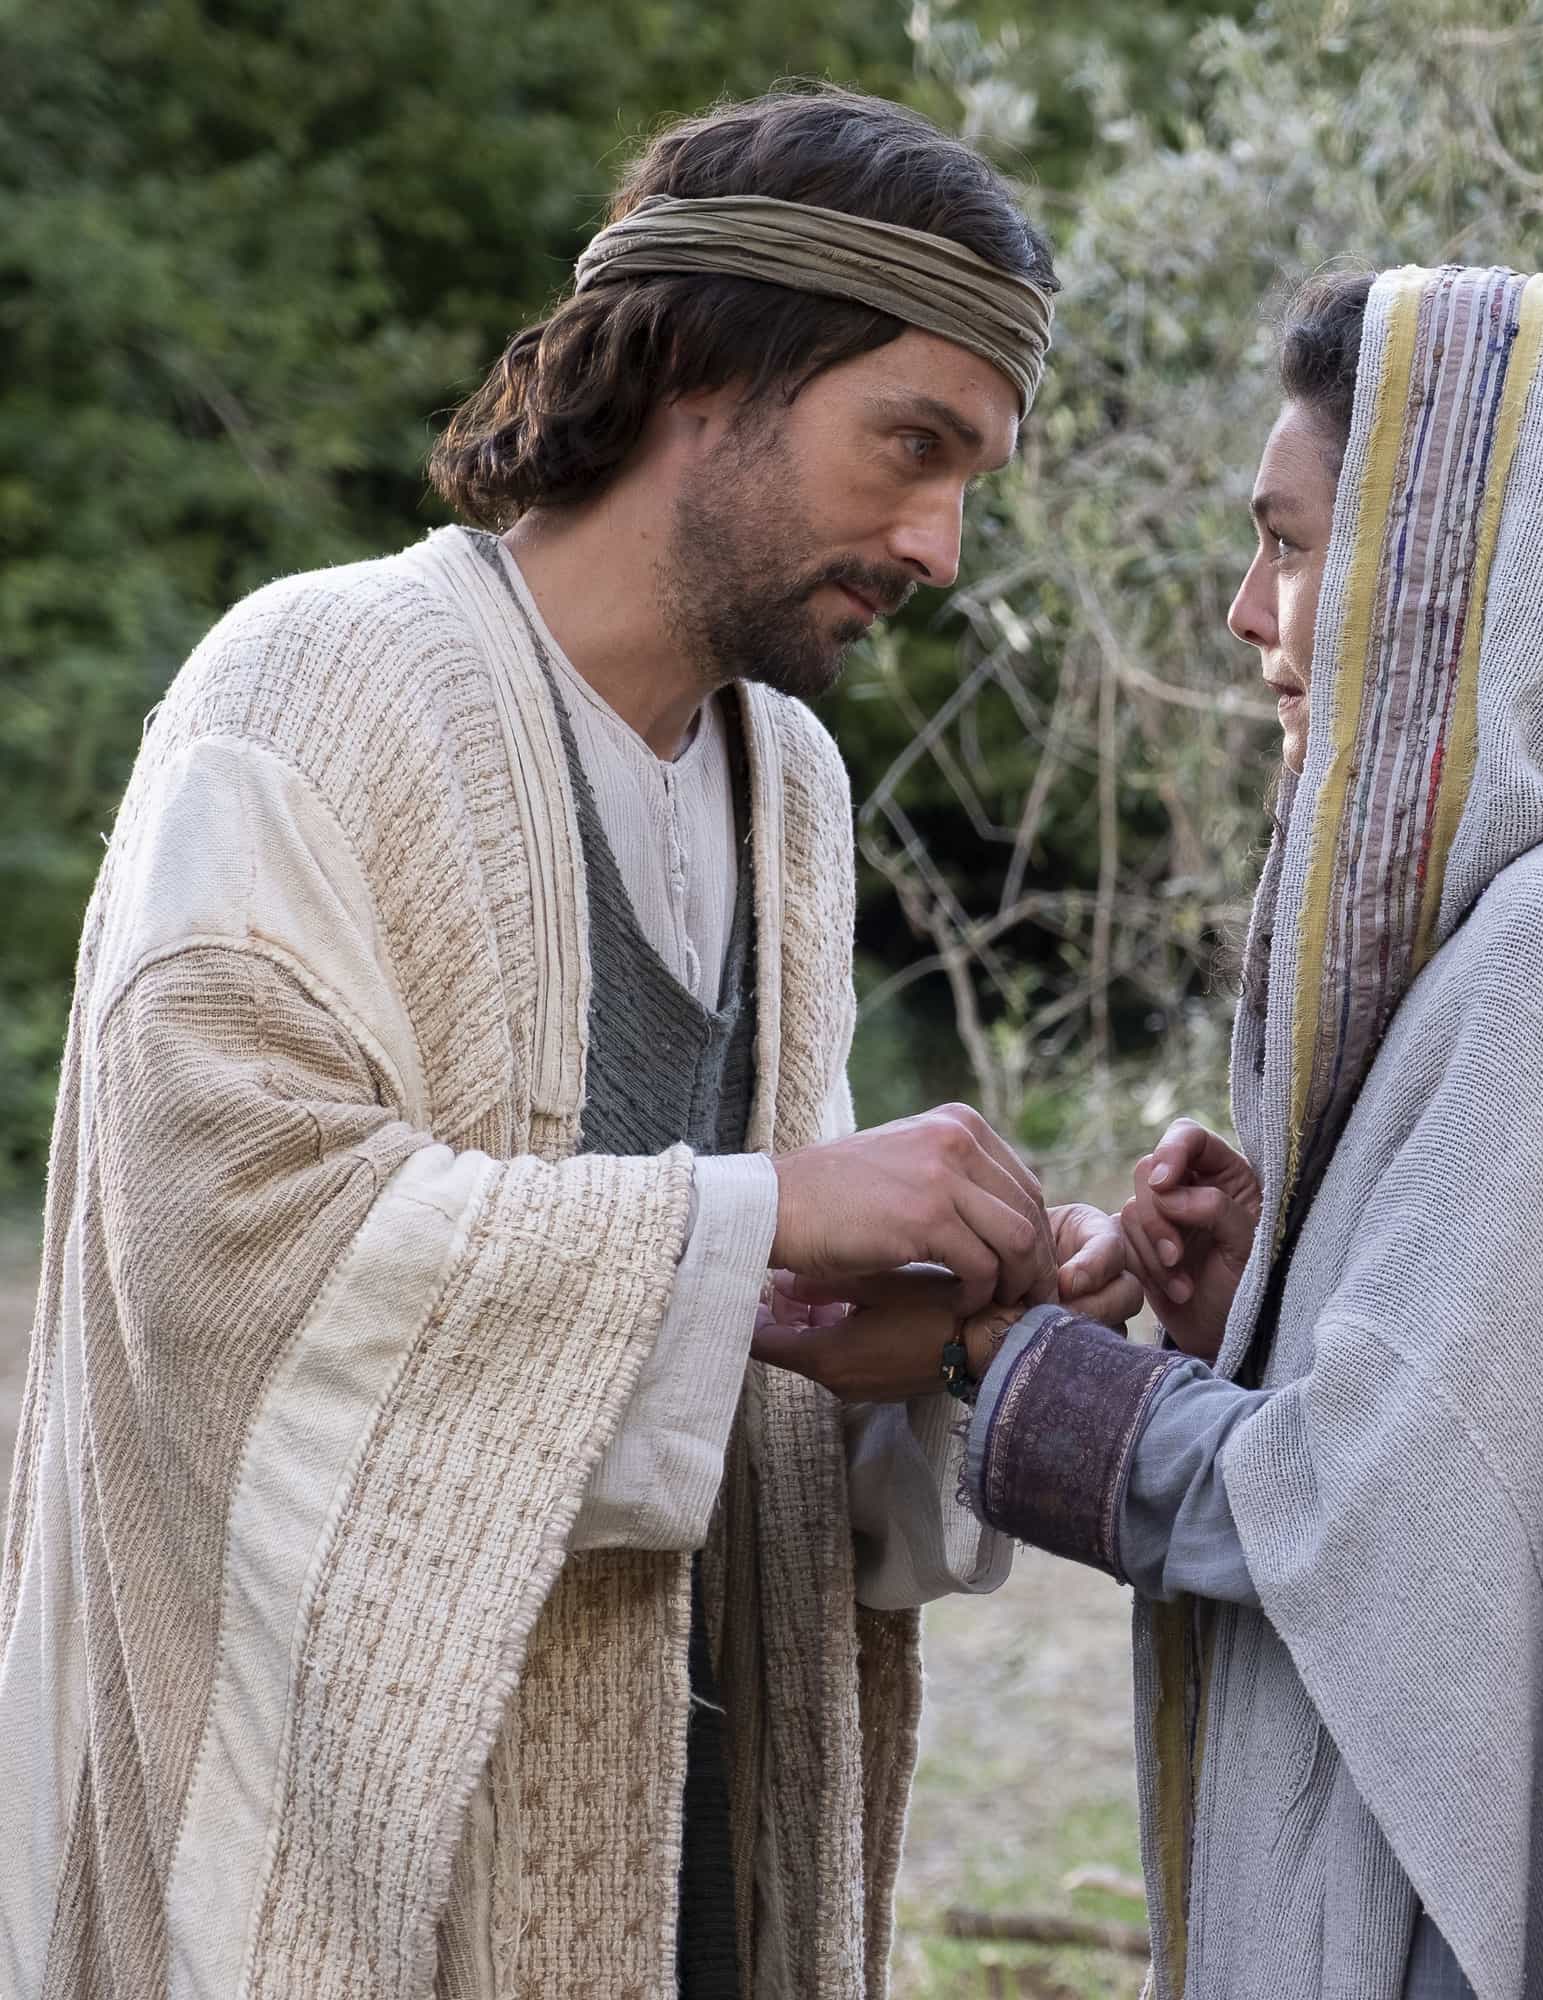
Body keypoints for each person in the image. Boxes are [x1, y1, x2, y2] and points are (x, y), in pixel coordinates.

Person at [0, 87, 1138, 2000]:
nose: (938, 545)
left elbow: (750, 1331)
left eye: (972, 480)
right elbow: (215, 1256)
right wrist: (763, 1210)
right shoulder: (310, 685)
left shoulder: (791, 786)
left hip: (690, 1838)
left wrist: (959, 1330)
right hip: (353, 1867)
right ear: (705, 363)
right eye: (910, 446)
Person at [956, 264, 1543, 1997]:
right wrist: (1268, 1305)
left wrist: (999, 1361)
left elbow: (1377, 1516)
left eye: (1296, 543)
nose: (1249, 609)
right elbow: (1495, 1443)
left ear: (1469, 579)